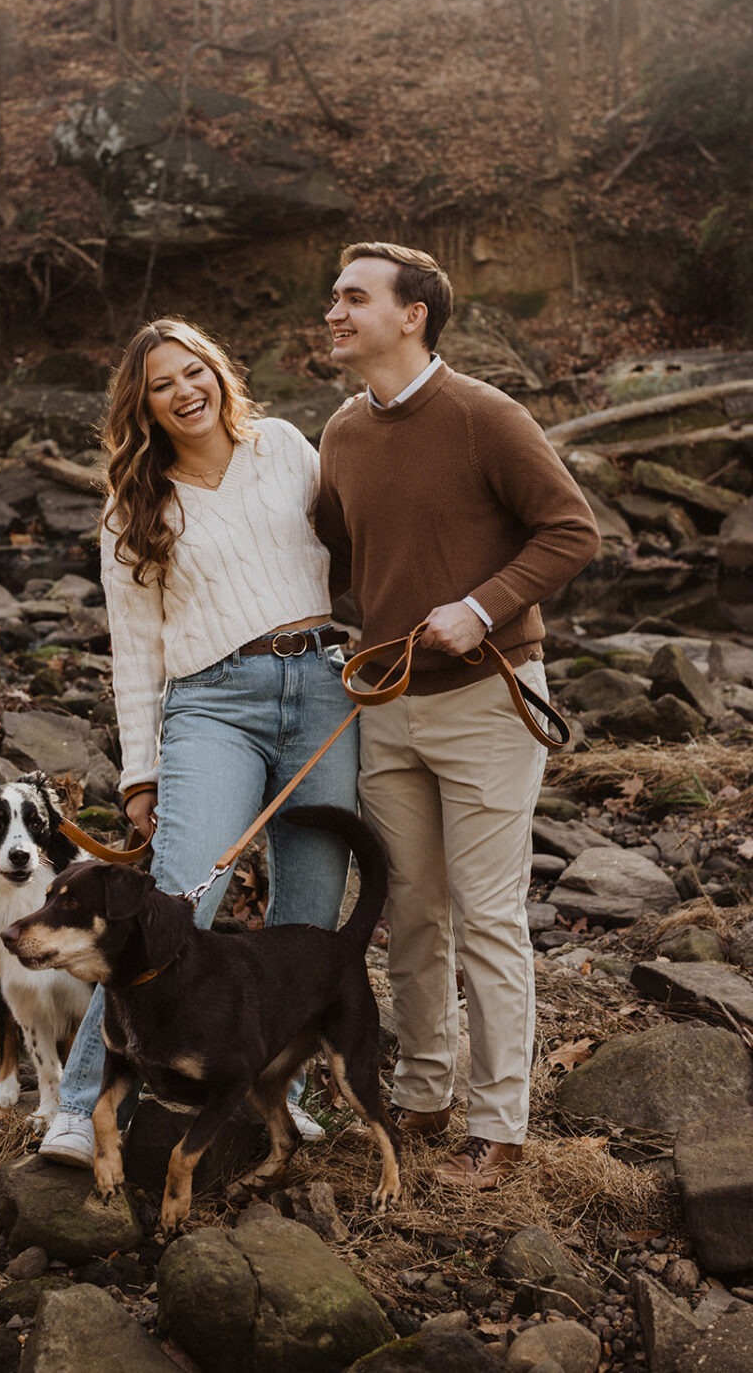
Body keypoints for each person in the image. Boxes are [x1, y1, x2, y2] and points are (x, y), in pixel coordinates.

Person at [39, 317, 360, 1165]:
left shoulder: (286, 447)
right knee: (174, 901)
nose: (186, 392)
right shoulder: (134, 505)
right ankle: (81, 1106)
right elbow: (134, 651)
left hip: (325, 684)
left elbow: (355, 542)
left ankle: (272, 1093)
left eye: (195, 372)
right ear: (141, 405)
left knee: (312, 905)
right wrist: (140, 772)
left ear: (220, 370)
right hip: (213, 701)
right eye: (161, 384)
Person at [316, 242, 599, 1189]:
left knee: (487, 917)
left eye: (354, 298)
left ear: (412, 316)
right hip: (388, 708)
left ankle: (500, 1124)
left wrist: (479, 607)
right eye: (333, 298)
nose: (335, 311)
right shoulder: (341, 435)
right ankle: (427, 1094)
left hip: (490, 700)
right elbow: (336, 554)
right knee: (411, 913)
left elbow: (571, 529)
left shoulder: (486, 415)